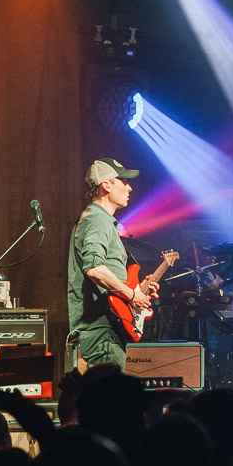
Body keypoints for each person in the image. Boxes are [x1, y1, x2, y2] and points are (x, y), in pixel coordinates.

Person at [68, 158, 155, 370]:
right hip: (101, 328)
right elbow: (95, 269)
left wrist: (138, 287)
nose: (129, 187)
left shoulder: (102, 221)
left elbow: (105, 272)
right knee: (107, 399)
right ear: (106, 185)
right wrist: (133, 295)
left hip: (109, 326)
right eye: (123, 181)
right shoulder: (96, 220)